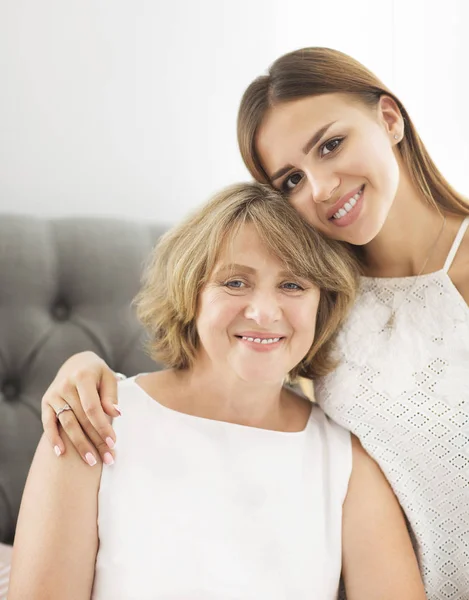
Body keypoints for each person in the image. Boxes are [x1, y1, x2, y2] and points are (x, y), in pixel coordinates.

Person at [40, 48, 468, 598]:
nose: (320, 188)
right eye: (291, 179)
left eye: (331, 144)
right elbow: (222, 381)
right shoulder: (322, 302)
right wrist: (81, 365)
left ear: (389, 119)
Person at [9, 183, 425, 599]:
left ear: (323, 304)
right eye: (236, 282)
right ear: (192, 293)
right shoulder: (90, 419)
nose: (263, 312)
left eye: (293, 285)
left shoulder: (347, 464)